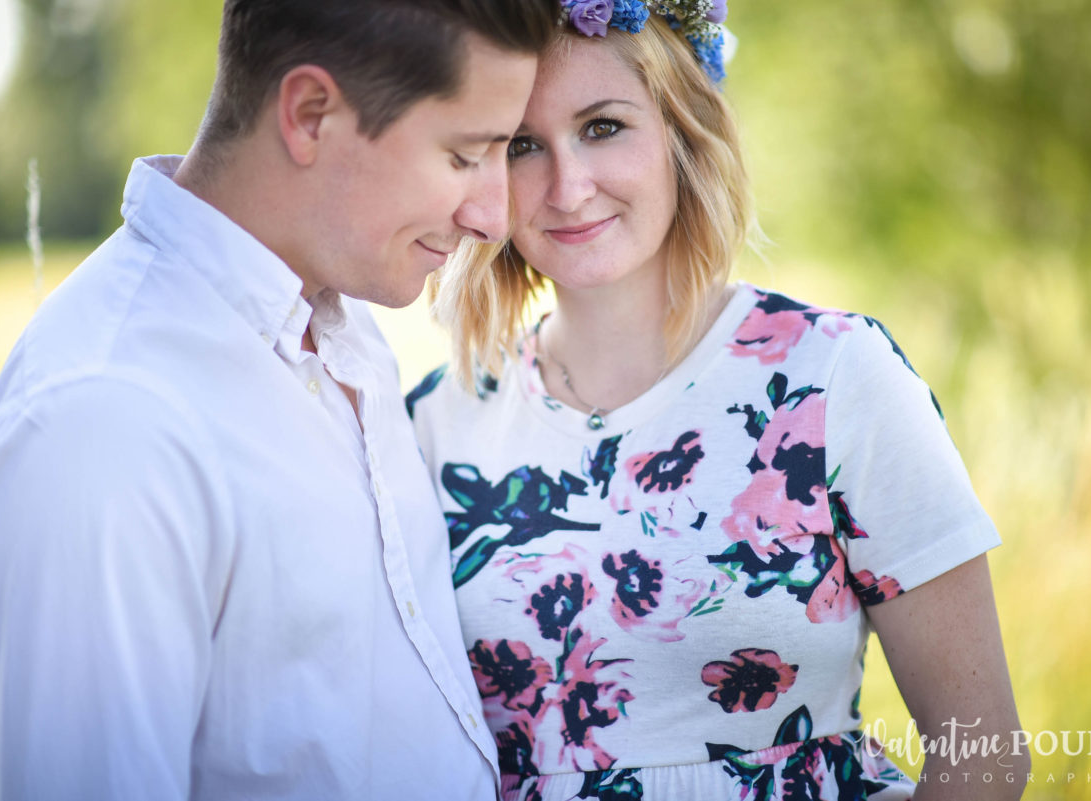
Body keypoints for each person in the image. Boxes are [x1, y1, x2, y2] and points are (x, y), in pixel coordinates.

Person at [407, 3, 1030, 799]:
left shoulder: (833, 376)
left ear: (682, 130)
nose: (568, 187)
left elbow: (984, 752)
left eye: (603, 127)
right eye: (522, 145)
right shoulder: (434, 424)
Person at [0, 1, 561, 798]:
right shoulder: (106, 417)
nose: (493, 217)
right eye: (466, 155)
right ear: (310, 114)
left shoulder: (343, 325)